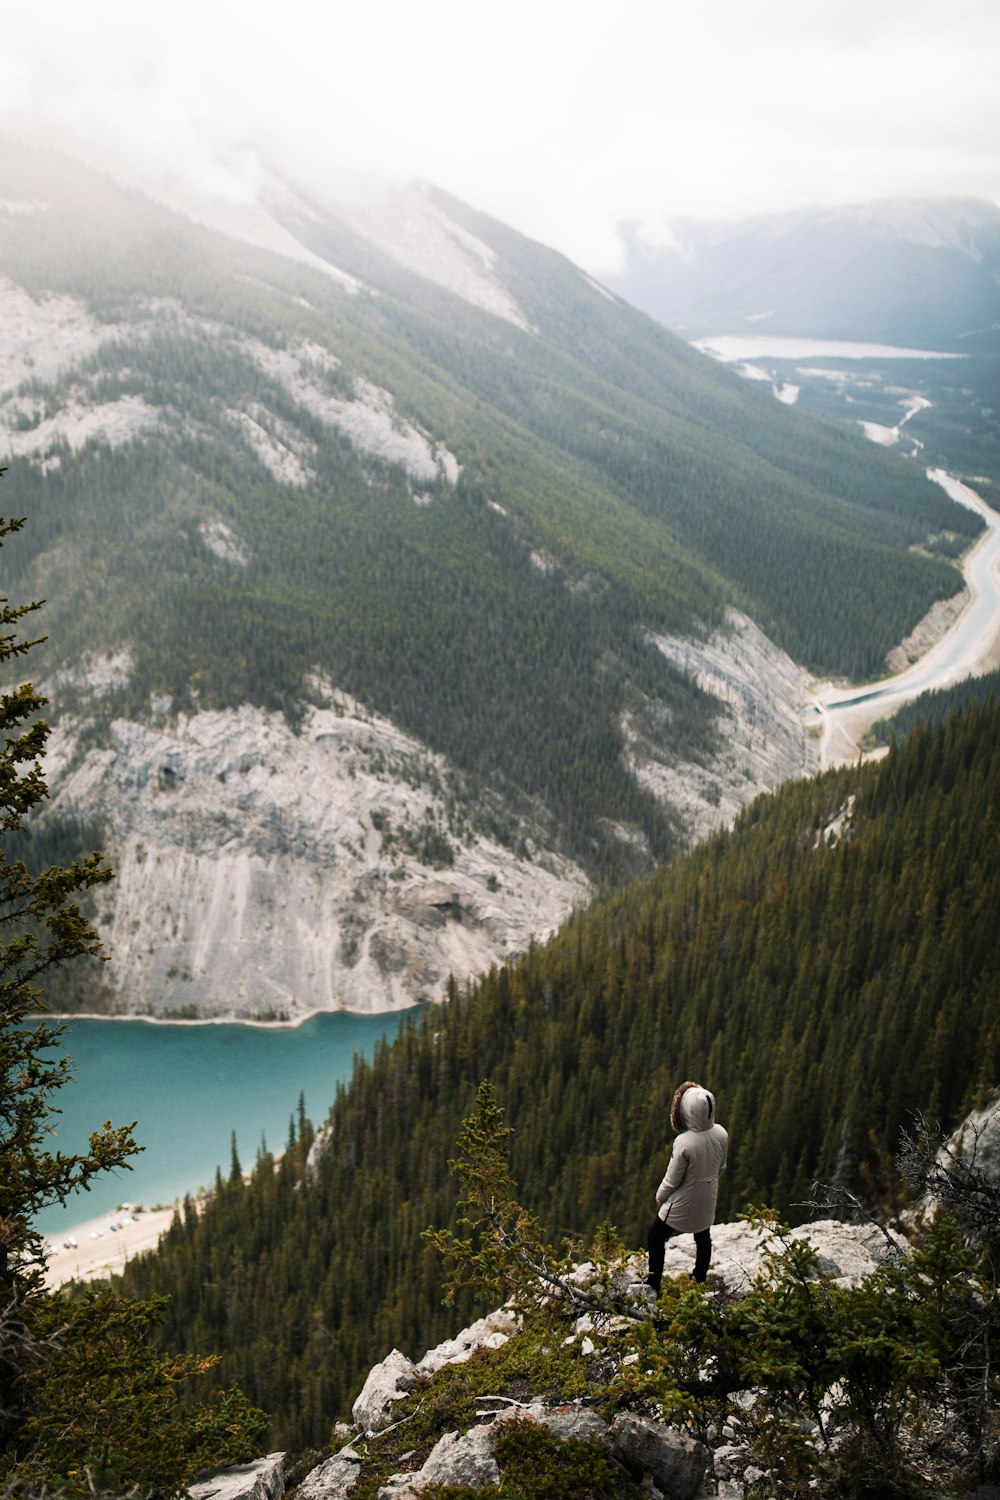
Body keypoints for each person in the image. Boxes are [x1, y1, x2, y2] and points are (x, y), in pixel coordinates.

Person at [646, 1080, 728, 1295]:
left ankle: (653, 1283)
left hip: (683, 1200)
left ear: (686, 1110)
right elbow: (722, 1167)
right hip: (708, 1195)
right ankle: (699, 1279)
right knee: (703, 1238)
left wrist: (661, 1195)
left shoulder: (685, 1141)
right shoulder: (721, 1133)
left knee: (655, 1236)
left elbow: (673, 1178)